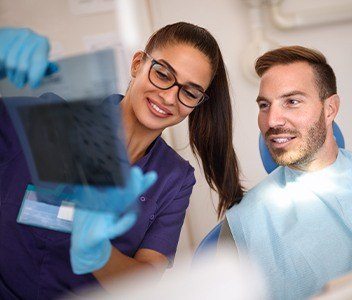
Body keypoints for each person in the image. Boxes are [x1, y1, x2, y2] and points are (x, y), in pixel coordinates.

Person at [0, 23, 244, 299]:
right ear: (138, 64)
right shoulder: (47, 119)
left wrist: (99, 254)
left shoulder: (174, 178)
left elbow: (146, 279)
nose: (168, 97)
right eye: (163, 74)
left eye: (189, 92)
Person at [224, 46, 352, 299]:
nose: (272, 121)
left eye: (292, 102)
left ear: (330, 109)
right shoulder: (243, 224)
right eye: (264, 105)